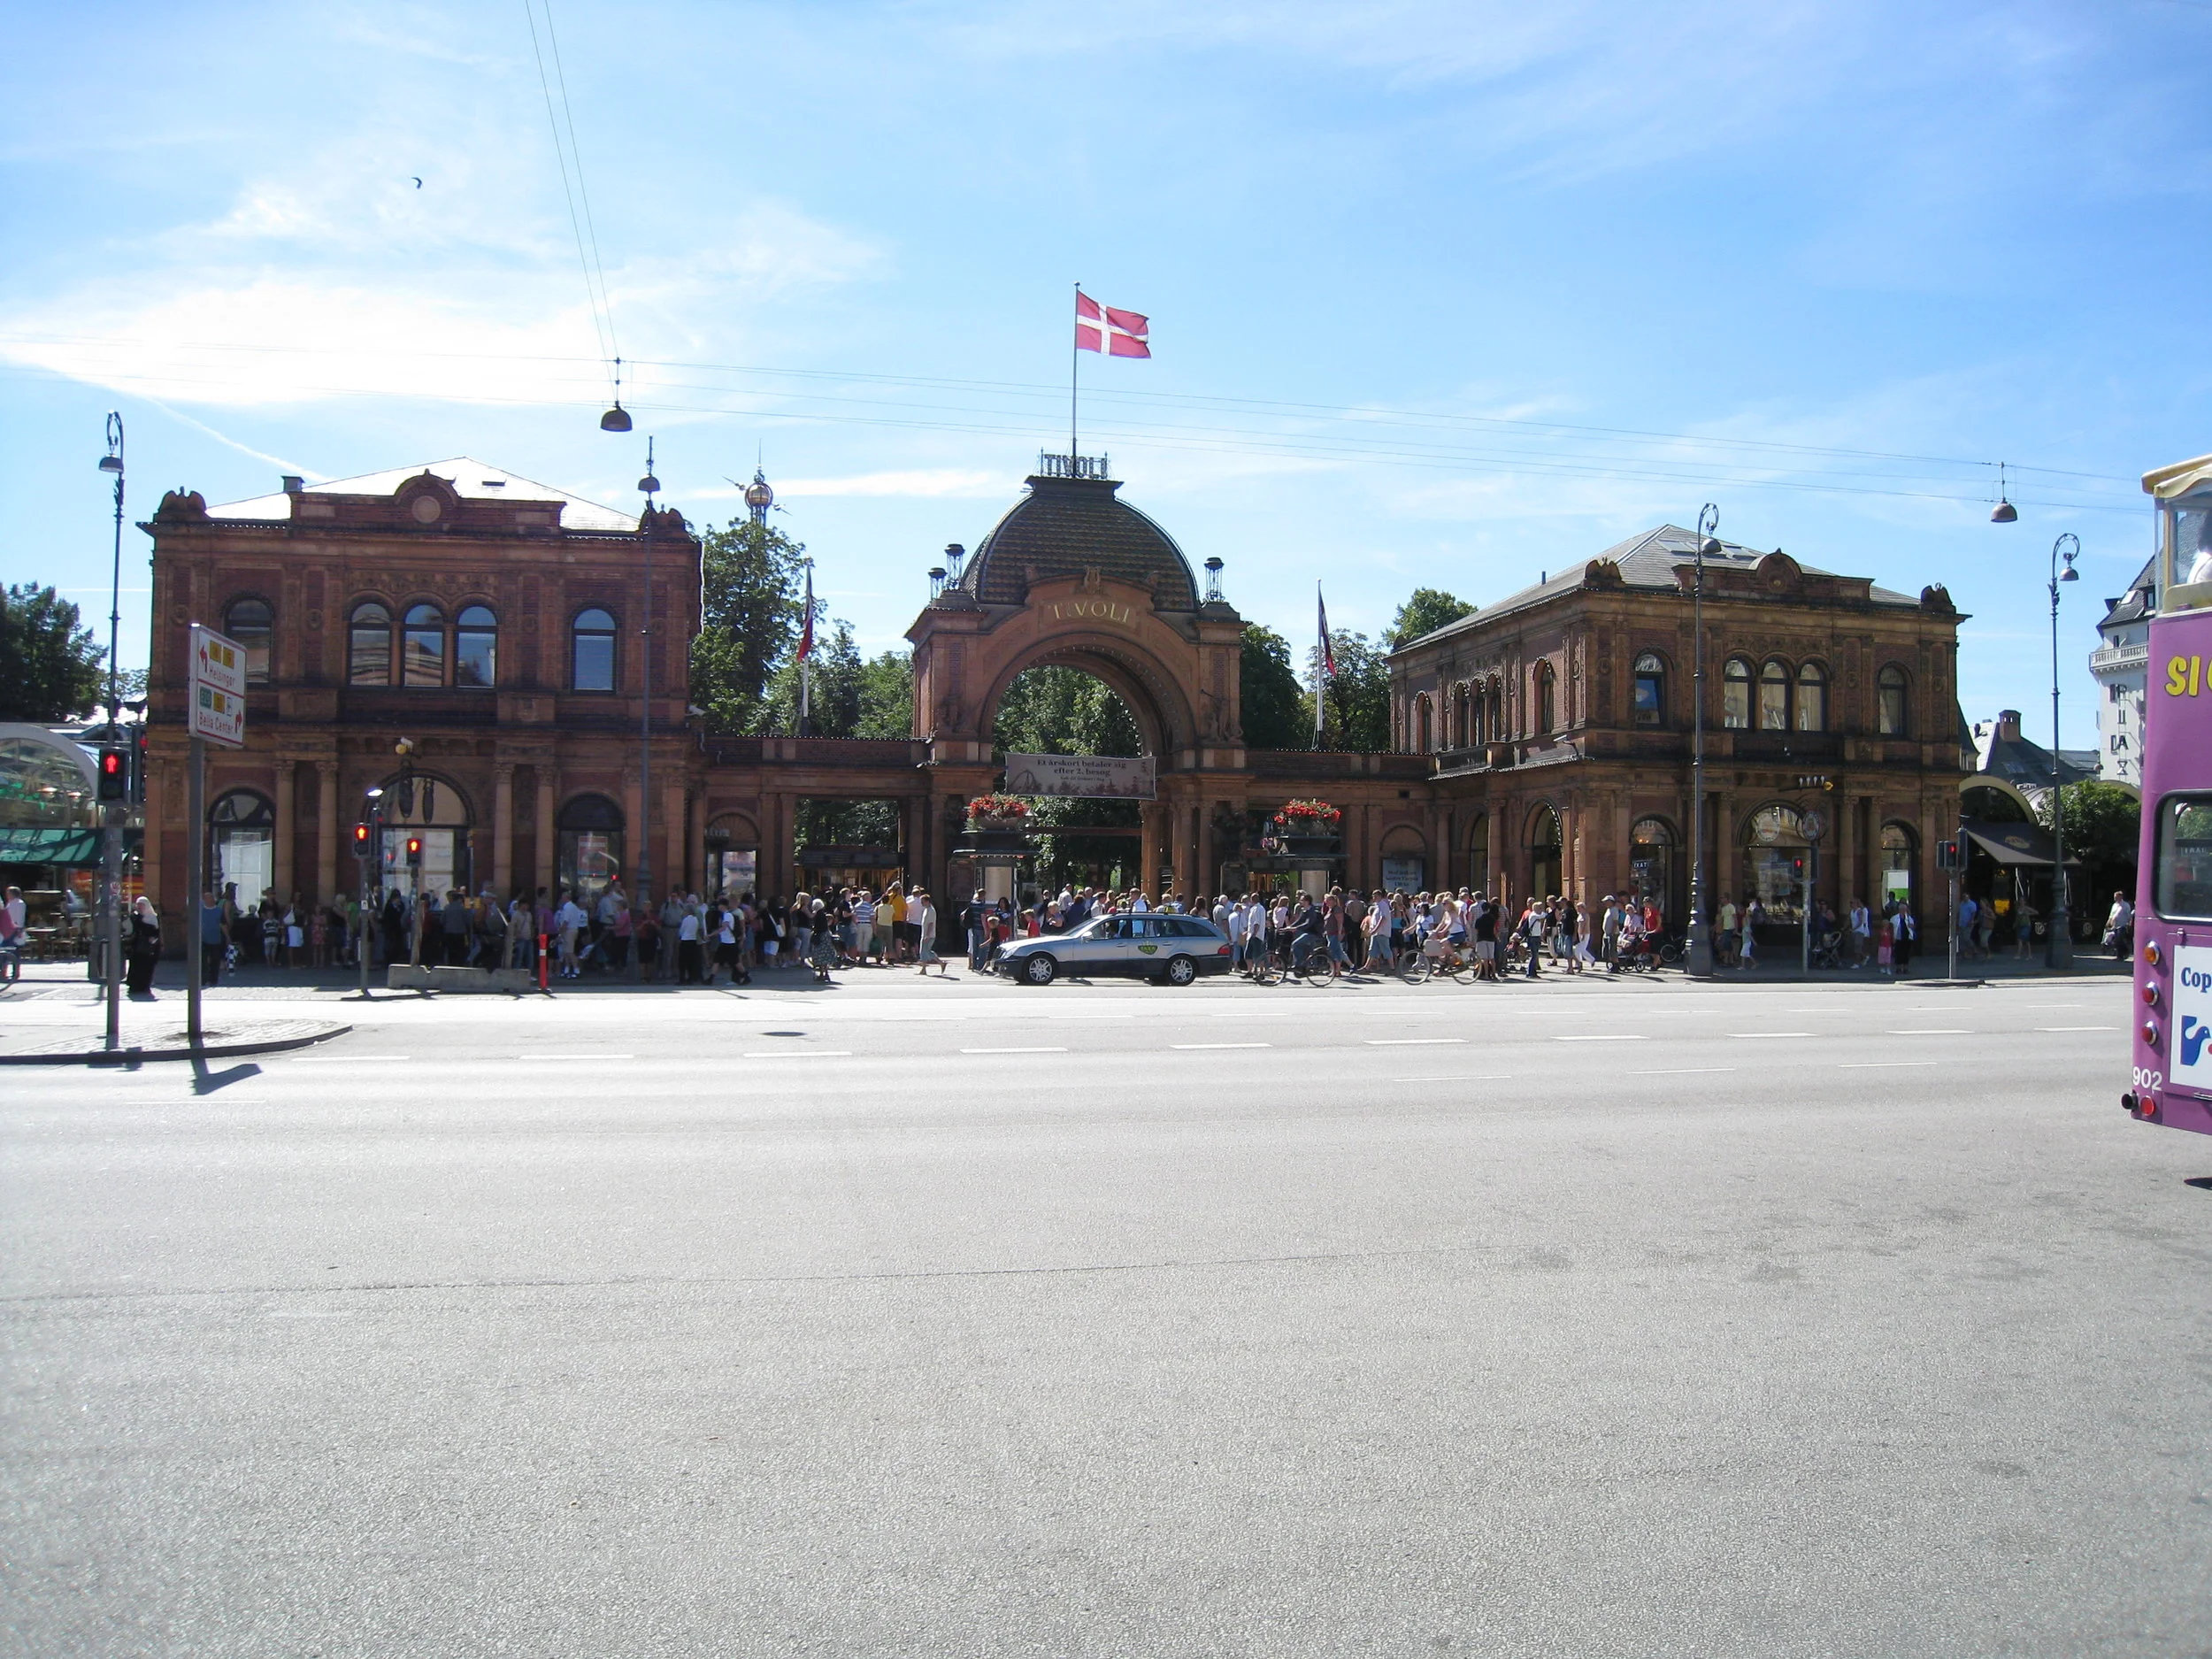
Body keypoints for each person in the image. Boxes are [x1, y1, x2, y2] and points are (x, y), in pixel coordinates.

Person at [126, 895, 161, 997]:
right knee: (135, 967)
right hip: (136, 947)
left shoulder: (152, 917)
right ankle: (134, 986)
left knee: (146, 968)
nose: (140, 907)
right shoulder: (135, 917)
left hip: (149, 948)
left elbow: (156, 933)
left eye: (142, 905)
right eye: (138, 905)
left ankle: (144, 986)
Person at [2103, 890, 2134, 960]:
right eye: (2114, 897)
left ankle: (2125, 952)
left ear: (2120, 897)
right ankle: (2120, 956)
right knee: (2116, 941)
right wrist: (2108, 923)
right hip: (2115, 926)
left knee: (2119, 940)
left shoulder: (2126, 905)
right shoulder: (2114, 905)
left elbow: (2128, 915)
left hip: (2122, 925)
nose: (2115, 898)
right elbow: (2111, 915)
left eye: (2116, 897)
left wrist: (2129, 923)